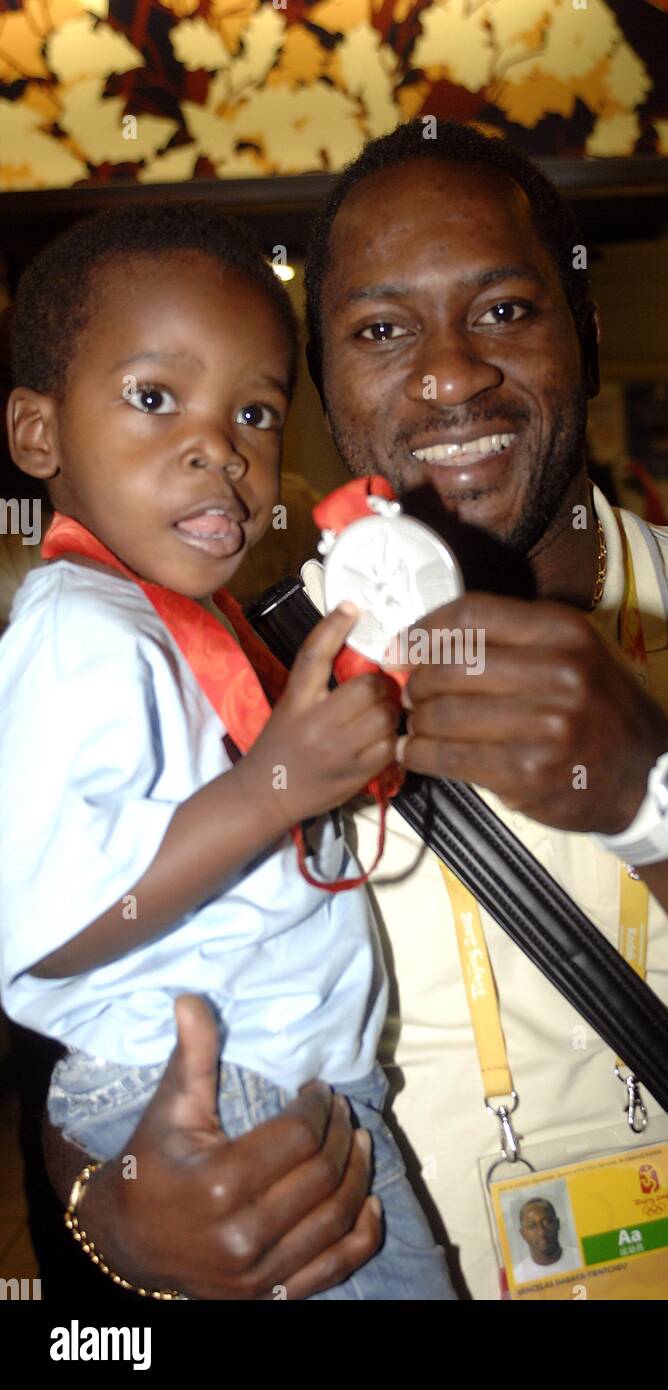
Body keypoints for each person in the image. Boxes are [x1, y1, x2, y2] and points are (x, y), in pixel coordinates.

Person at [29, 122, 668, 1304]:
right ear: (322, 386)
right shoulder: (221, 676)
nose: (449, 372)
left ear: (586, 330)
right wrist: (117, 1213)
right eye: (380, 330)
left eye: (506, 311)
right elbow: (110, 1044)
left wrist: (661, 797)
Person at [0, 204, 456, 1300]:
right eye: (154, 398)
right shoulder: (81, 632)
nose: (220, 445)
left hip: (281, 1086)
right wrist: (278, 785)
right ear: (38, 435)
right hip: (231, 1091)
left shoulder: (161, 622)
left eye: (255, 411)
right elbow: (49, 924)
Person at [512, 1199, 581, 1285]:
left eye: (547, 1222)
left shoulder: (580, 1258)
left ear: (557, 1224)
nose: (542, 1231)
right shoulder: (518, 1277)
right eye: (532, 1226)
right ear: (523, 1234)